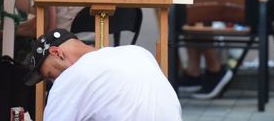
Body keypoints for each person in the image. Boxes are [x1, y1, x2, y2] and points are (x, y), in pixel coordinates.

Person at [24, 28, 182, 120]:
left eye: (51, 75)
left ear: (57, 53)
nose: (54, 81)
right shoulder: (139, 53)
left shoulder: (70, 77)